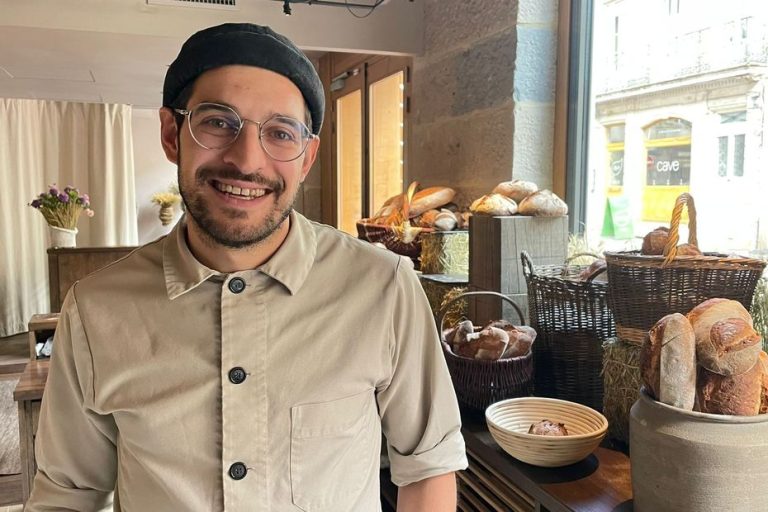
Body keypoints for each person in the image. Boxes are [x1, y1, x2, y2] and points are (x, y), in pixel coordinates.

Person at [25, 23, 468, 512]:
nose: (246, 160)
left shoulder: (383, 287)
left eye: (280, 133)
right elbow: (67, 494)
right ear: (173, 135)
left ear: (306, 158)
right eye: (218, 122)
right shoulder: (96, 310)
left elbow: (428, 467)